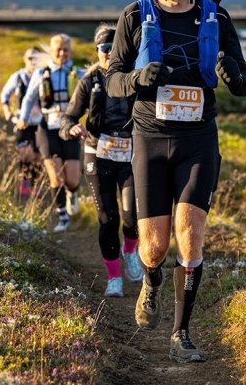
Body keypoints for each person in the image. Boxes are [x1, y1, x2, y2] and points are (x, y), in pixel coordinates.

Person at [105, 0, 246, 362]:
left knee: (191, 236)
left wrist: (232, 74)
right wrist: (137, 79)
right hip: (150, 138)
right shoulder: (134, 15)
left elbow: (244, 84)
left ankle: (181, 333)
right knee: (154, 246)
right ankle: (149, 280)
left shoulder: (217, 17)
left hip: (198, 140)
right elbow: (113, 78)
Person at [60, 24, 143, 297]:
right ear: (97, 51)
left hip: (130, 154)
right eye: (103, 49)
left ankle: (129, 250)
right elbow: (68, 118)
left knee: (133, 216)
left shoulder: (134, 78)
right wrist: (71, 128)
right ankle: (113, 278)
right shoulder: (89, 81)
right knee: (108, 218)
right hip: (98, 153)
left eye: (113, 47)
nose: (108, 53)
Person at [17, 34, 81, 232]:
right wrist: (23, 117)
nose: (62, 53)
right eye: (58, 50)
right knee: (55, 176)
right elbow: (28, 99)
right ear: (51, 52)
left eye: (66, 50)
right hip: (46, 128)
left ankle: (72, 193)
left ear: (70, 52)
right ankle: (62, 217)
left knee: (71, 179)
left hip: (69, 127)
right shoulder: (41, 74)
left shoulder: (77, 73)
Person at [0, 46, 43, 199]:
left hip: (40, 121)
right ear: (25, 59)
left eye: (36, 58)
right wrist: (7, 110)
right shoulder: (18, 77)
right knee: (26, 154)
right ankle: (25, 181)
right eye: (30, 58)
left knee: (38, 156)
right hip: (22, 122)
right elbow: (4, 94)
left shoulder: (44, 76)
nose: (33, 61)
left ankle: (34, 184)